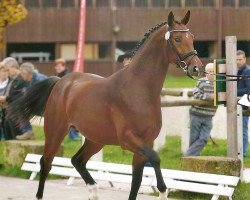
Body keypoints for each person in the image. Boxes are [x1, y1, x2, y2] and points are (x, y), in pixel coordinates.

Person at [184, 63, 218, 156]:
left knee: (204, 138)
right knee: (194, 138)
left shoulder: (219, 83)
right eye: (209, 71)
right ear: (206, 73)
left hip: (209, 116)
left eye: (213, 71)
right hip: (196, 114)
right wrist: (209, 97)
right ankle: (193, 158)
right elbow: (196, 95)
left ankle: (187, 156)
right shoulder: (201, 82)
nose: (211, 73)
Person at [0, 57, 34, 140]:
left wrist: (6, 98)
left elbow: (21, 95)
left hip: (19, 108)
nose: (8, 72)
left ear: (13, 67)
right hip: (11, 109)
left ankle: (26, 133)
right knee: (8, 121)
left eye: (8, 70)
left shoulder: (22, 78)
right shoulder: (14, 80)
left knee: (12, 121)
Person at [54, 58, 79, 140]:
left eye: (59, 66)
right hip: (63, 101)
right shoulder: (59, 76)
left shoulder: (67, 76)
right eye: (56, 66)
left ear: (64, 66)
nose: (57, 68)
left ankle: (74, 137)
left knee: (69, 119)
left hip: (68, 101)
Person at [236, 50, 250, 158]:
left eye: (240, 59)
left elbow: (248, 89)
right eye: (236, 60)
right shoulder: (238, 71)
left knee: (243, 129)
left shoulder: (247, 71)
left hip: (245, 103)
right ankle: (238, 151)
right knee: (237, 128)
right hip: (239, 103)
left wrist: (232, 92)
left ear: (245, 59)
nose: (238, 62)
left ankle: (243, 153)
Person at [0, 62, 12, 140]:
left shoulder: (11, 82)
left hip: (7, 107)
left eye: (7, 71)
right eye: (4, 71)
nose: (6, 73)